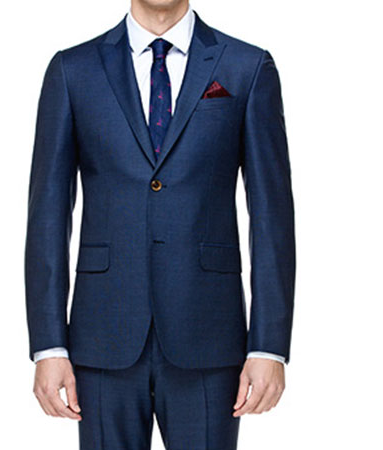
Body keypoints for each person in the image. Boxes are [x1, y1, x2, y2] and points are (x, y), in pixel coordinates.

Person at [25, 1, 296, 448]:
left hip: (209, 335)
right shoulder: (73, 71)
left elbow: (272, 217)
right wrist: (49, 344)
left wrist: (268, 345)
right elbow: (47, 216)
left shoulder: (246, 67)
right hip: (102, 335)